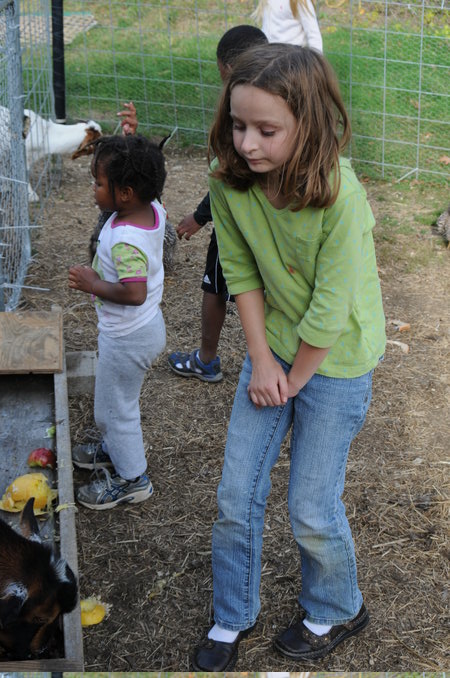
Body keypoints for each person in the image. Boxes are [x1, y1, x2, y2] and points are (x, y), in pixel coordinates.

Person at [192, 43, 386, 670]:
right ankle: (232, 616)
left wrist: (293, 379)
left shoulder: (342, 197)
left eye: (266, 130)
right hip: (271, 348)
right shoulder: (228, 181)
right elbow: (240, 269)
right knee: (235, 494)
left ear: (309, 124)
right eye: (238, 125)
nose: (247, 143)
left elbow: (331, 309)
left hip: (336, 361)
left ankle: (336, 607)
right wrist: (261, 360)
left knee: (310, 506)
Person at [68, 133, 167, 510]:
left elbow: (134, 292)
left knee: (113, 410)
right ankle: (114, 449)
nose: (93, 190)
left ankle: (132, 479)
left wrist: (93, 284)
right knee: (118, 403)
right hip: (144, 327)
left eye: (98, 183)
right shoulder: (151, 208)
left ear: (125, 193)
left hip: (128, 337)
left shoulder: (125, 238)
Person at [168, 25, 268, 384]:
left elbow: (230, 173)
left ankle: (207, 359)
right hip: (272, 220)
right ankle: (274, 358)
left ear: (227, 68)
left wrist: (199, 216)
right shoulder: (280, 103)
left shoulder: (237, 113)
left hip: (236, 220)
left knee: (215, 286)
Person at [253, 0, 323, 52]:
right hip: (270, 54)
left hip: (292, 57)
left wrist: (317, 64)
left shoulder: (300, 2)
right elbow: (267, 28)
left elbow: (313, 34)